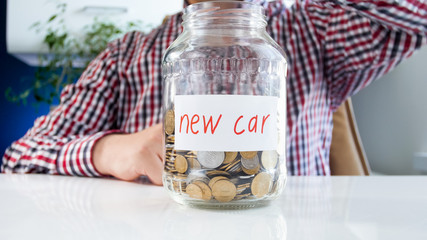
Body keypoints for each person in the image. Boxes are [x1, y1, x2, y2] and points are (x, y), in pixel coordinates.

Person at [2, 0, 426, 184]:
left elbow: (417, 16)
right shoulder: (125, 55)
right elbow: (19, 157)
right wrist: (110, 151)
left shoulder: (314, 31)